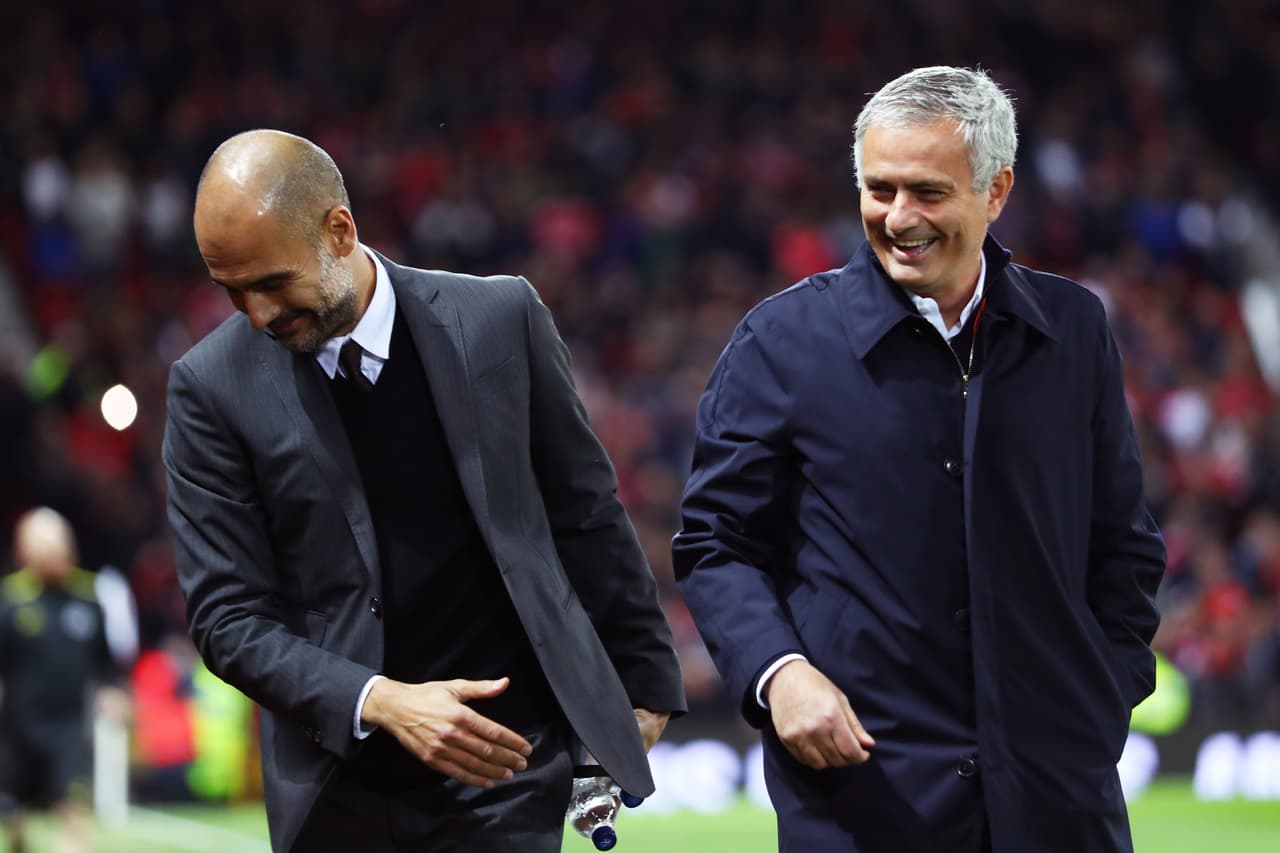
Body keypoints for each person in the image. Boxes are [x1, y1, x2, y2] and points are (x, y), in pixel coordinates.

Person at [672, 66, 1165, 852]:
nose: (898, 217)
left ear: (995, 191)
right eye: (878, 188)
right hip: (865, 804)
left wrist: (1099, 699)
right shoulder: (781, 342)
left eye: (927, 192)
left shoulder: (1074, 329)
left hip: (1058, 805)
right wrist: (779, 670)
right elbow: (714, 542)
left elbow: (1123, 545)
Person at [163, 129, 685, 852]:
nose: (256, 314)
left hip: (508, 761)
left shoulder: (501, 318)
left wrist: (648, 680)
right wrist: (382, 701)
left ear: (339, 230)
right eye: (231, 291)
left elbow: (583, 510)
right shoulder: (210, 387)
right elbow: (227, 617)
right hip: (340, 785)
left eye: (273, 283)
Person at [0, 507, 127, 853]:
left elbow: (105, 662)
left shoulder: (89, 597)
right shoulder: (10, 600)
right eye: (43, 545)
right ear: (23, 551)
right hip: (17, 728)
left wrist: (112, 692)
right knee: (12, 812)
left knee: (72, 808)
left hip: (70, 727)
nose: (53, 552)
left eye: (58, 544)